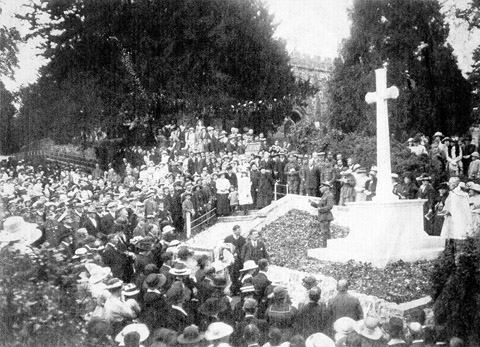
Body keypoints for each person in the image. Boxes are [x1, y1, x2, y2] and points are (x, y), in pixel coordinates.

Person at [440, 177, 473, 247]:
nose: (449, 185)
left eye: (451, 183)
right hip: (456, 216)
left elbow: (456, 207)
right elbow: (448, 204)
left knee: (456, 233)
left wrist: (448, 211)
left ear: (455, 185)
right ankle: (451, 251)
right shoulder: (455, 193)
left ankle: (456, 251)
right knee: (453, 234)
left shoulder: (456, 194)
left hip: (457, 217)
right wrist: (446, 209)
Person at [309, 182, 334, 248]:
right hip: (323, 217)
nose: (320, 188)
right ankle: (326, 247)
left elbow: (330, 206)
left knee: (325, 233)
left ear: (326, 187)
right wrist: (312, 203)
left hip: (325, 217)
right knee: (325, 233)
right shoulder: (324, 195)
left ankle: (326, 247)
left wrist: (321, 209)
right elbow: (319, 206)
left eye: (321, 187)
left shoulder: (329, 195)